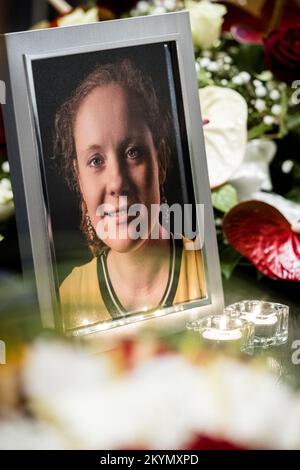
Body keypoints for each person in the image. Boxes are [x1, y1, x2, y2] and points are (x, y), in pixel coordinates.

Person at [54, 58, 206, 332]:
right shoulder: (68, 298)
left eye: (132, 152)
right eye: (96, 161)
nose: (117, 183)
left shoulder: (208, 272)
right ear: (78, 177)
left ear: (159, 160)